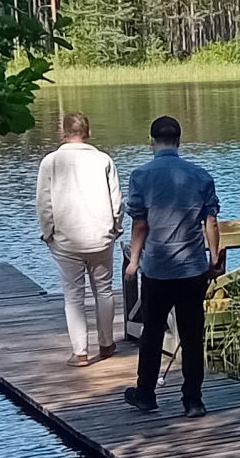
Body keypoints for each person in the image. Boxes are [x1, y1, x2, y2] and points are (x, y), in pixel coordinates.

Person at [123, 114, 222, 417]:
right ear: (179, 141)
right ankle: (193, 399)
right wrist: (214, 258)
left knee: (151, 332)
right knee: (193, 336)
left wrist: (135, 260)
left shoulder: (141, 176)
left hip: (156, 268)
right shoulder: (201, 176)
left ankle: (146, 393)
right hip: (192, 268)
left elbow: (140, 224)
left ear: (151, 141)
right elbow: (211, 221)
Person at [34, 111, 121, 366]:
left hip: (66, 239)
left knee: (73, 295)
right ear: (88, 132)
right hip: (100, 237)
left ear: (63, 132)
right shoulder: (104, 160)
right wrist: (115, 228)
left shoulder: (50, 162)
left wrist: (48, 232)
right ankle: (106, 344)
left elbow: (44, 203)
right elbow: (117, 201)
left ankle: (81, 352)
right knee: (104, 290)